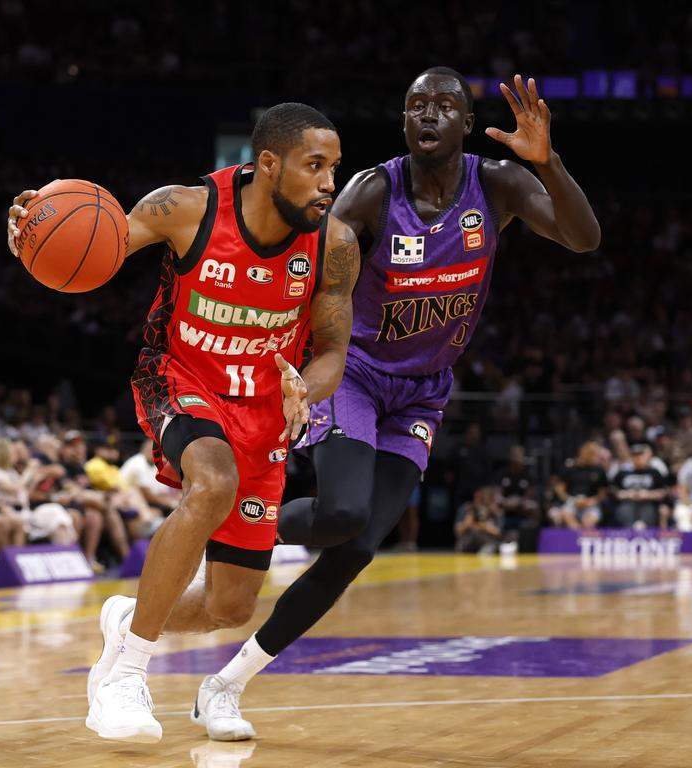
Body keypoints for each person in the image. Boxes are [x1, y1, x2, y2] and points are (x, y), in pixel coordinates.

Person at [192, 69, 599, 741]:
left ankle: (225, 684)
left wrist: (547, 161)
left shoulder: (495, 184)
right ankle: (233, 518)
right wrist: (286, 361)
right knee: (345, 514)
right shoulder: (374, 191)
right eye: (416, 106)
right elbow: (305, 264)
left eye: (445, 105)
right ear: (404, 121)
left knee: (354, 551)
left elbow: (583, 239)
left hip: (424, 390)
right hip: (353, 373)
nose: (428, 114)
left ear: (466, 123)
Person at [7, 102, 358, 742]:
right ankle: (124, 674)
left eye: (334, 167)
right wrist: (35, 229)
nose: (330, 182)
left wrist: (308, 385)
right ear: (269, 164)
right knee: (212, 484)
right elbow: (102, 244)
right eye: (316, 166)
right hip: (180, 379)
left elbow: (333, 346)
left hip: (262, 410)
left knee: (230, 607)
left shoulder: (335, 244)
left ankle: (126, 619)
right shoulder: (187, 208)